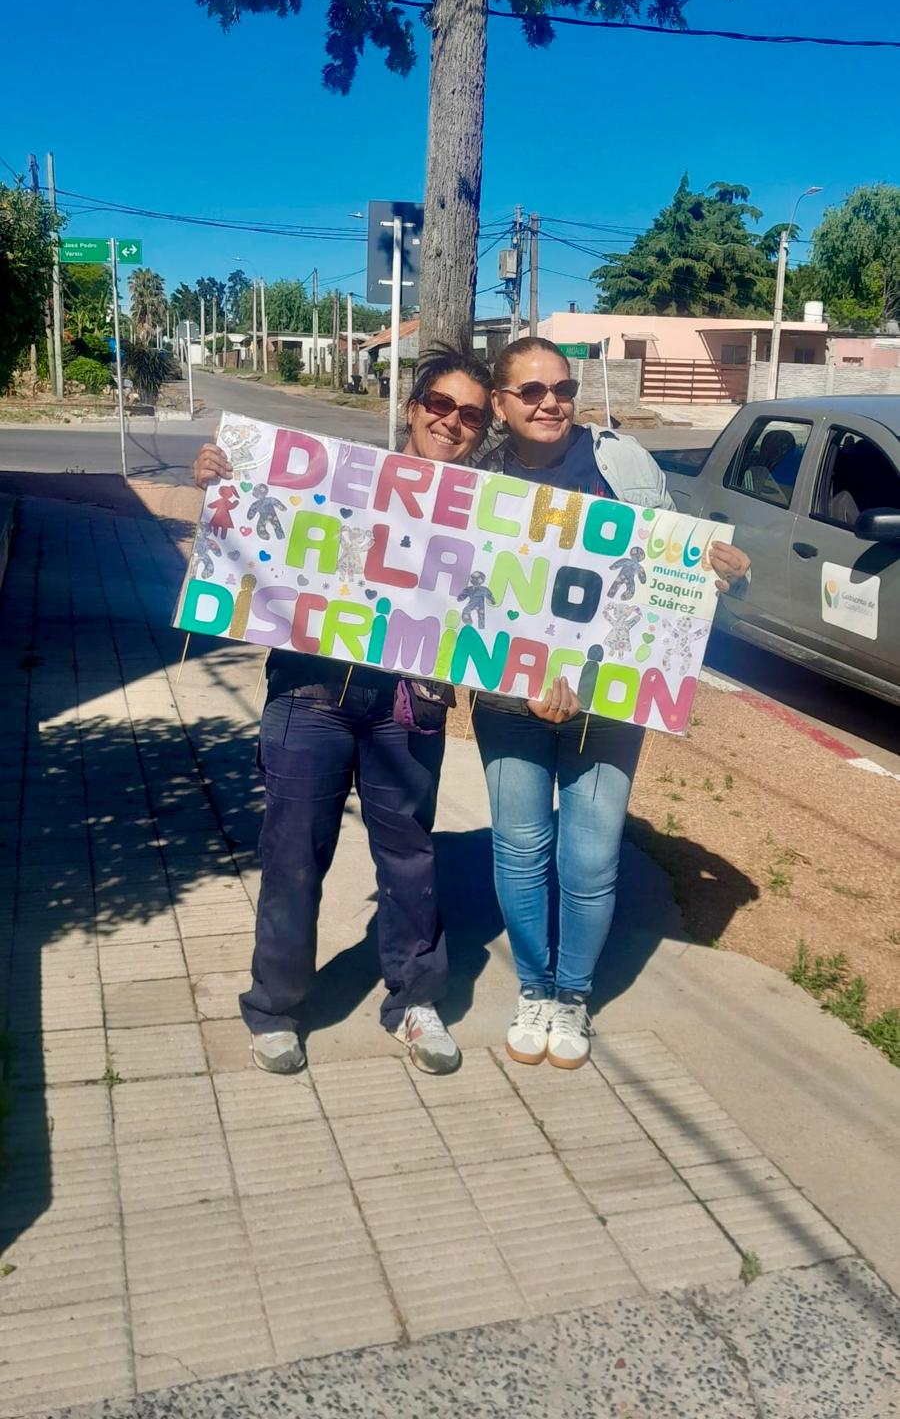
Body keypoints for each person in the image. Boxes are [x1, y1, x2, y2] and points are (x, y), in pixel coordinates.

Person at [191, 351, 494, 1076]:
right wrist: (216, 482)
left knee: (411, 857)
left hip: (407, 705)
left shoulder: (494, 511)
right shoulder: (336, 474)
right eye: (439, 404)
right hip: (309, 697)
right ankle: (275, 1006)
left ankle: (415, 1002)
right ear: (415, 407)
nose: (451, 421)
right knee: (293, 858)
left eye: (470, 413)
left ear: (482, 430)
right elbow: (255, 530)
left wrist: (695, 565)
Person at [472, 337, 751, 1071]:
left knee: (590, 860)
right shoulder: (475, 476)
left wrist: (720, 571)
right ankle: (533, 988)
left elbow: (672, 560)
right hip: (507, 699)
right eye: (529, 391)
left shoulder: (617, 460)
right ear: (499, 403)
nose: (549, 402)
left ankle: (572, 997)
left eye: (560, 388)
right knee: (520, 850)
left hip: (610, 701)